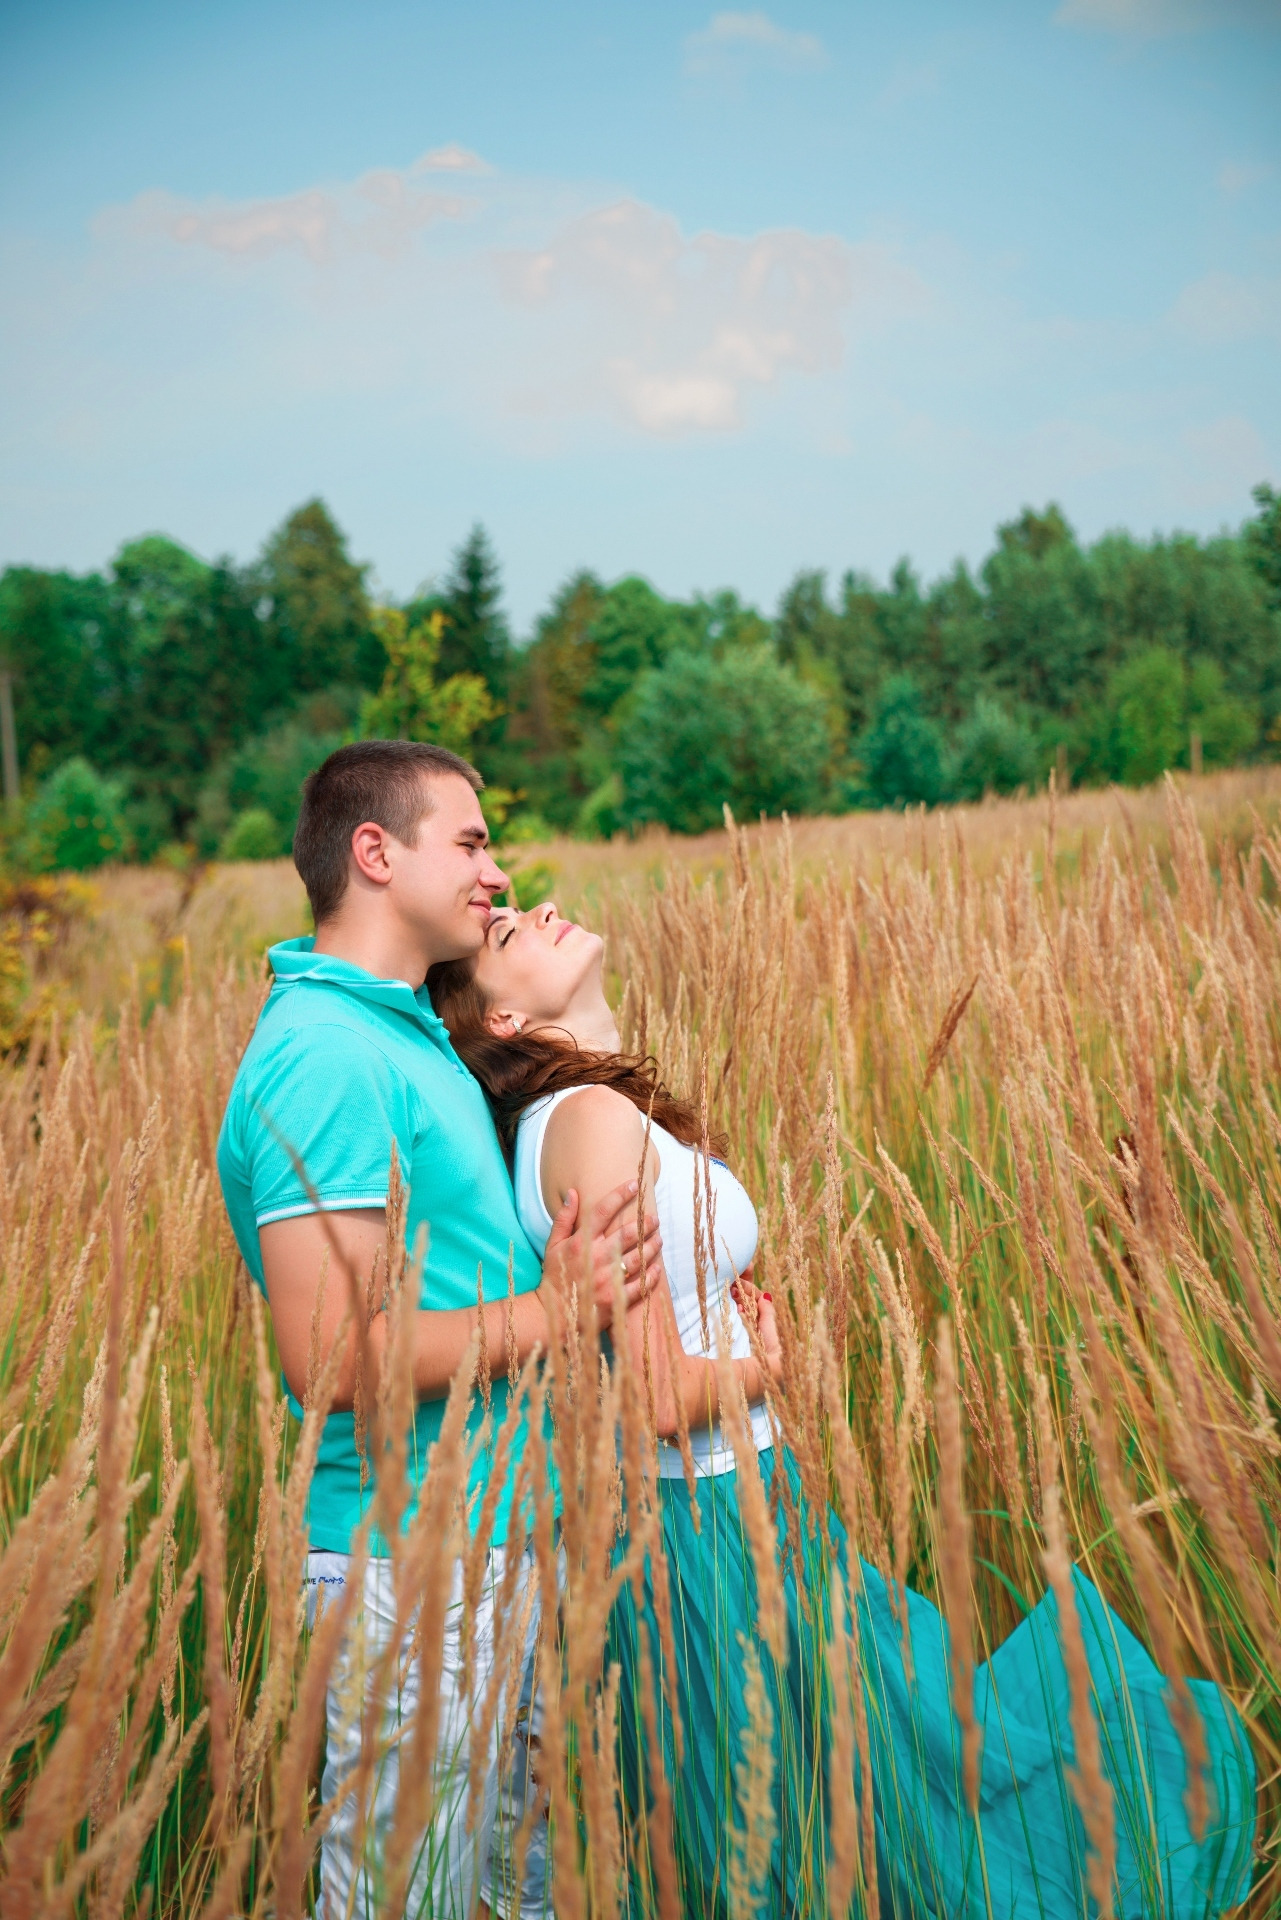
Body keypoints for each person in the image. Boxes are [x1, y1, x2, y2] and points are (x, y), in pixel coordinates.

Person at [430, 896, 1258, 1920]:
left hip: (736, 1506)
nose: (540, 908)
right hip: (706, 1525)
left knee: (844, 1803)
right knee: (827, 1817)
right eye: (508, 934)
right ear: (501, 1021)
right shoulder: (590, 1124)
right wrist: (764, 1367)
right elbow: (648, 1395)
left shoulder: (590, 1113)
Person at [216, 742, 663, 1920]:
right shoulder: (322, 1055)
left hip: (497, 1544)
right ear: (375, 852)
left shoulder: (404, 1033)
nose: (496, 871)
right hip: (411, 1570)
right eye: (468, 841)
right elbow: (332, 1359)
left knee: (521, 1895)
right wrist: (558, 1310)